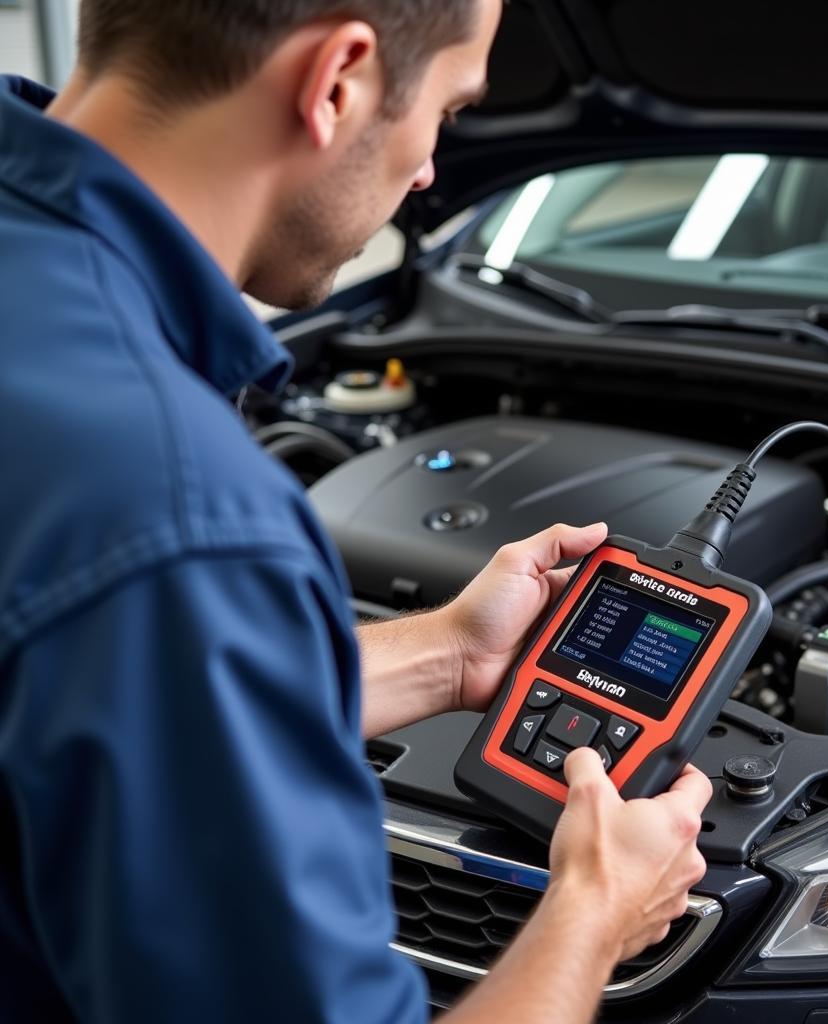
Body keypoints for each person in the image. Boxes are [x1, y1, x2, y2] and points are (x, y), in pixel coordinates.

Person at [0, 1, 712, 1021]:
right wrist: (597, 911)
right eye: (447, 110)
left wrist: (448, 653)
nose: (428, 172)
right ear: (337, 79)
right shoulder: (180, 517)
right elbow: (152, 595)